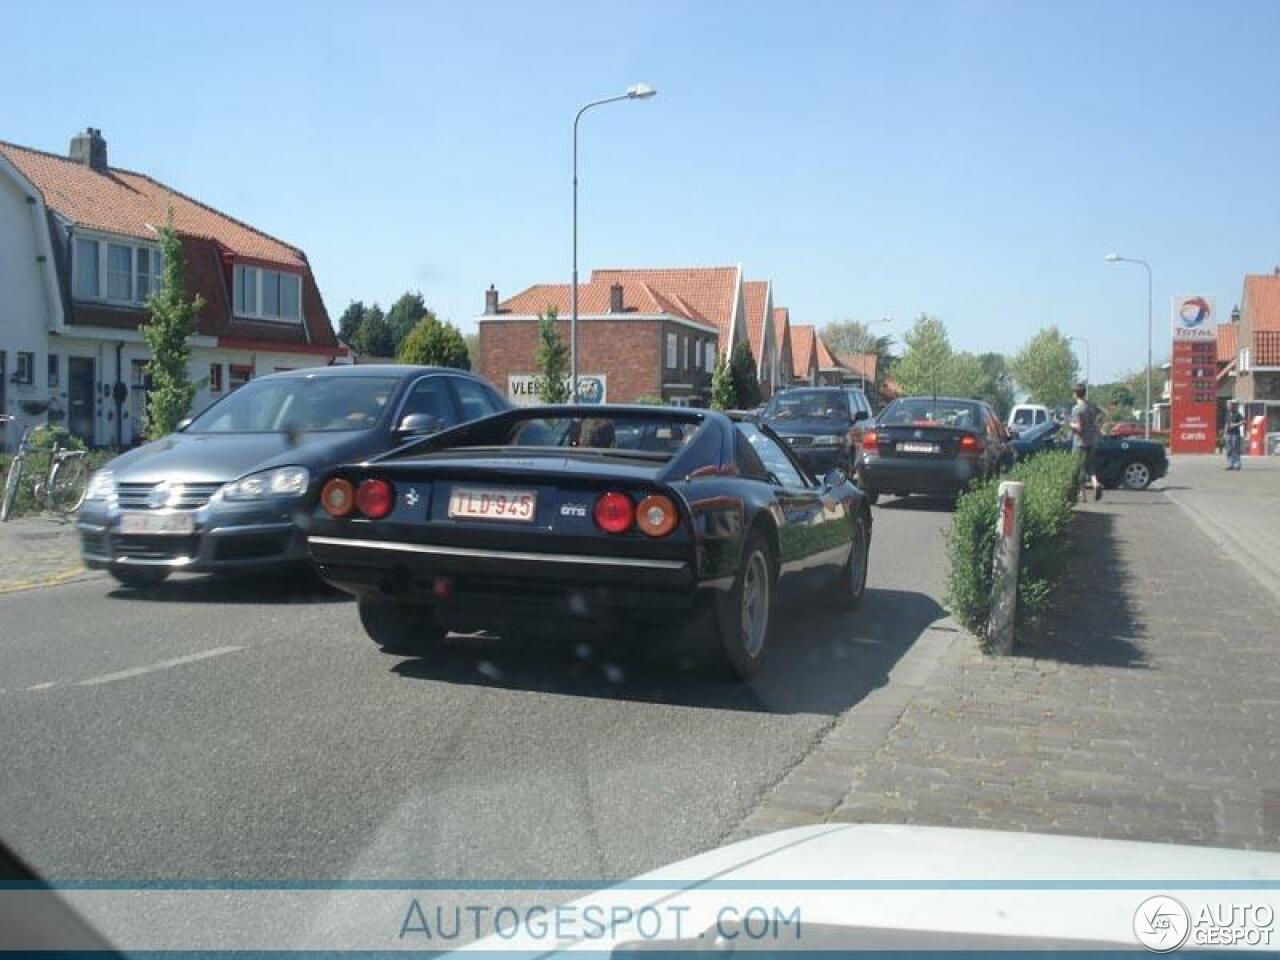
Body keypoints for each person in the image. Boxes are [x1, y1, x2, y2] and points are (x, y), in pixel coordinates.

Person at [1068, 383, 1103, 502]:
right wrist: (1098, 426)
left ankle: (1081, 493)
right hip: (1092, 441)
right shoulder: (1091, 406)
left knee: (1080, 468)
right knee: (1091, 467)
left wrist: (1069, 424)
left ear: (1075, 394)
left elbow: (1078, 428)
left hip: (1080, 442)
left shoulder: (1076, 409)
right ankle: (1096, 483)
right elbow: (1104, 413)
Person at [1224, 402, 1246, 471]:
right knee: (1229, 450)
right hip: (1228, 434)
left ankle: (1237, 464)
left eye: (1230, 406)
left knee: (1235, 449)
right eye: (1228, 406)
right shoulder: (1227, 414)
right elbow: (1226, 424)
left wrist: (1235, 424)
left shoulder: (1237, 414)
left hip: (1235, 434)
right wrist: (1225, 433)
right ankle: (1230, 464)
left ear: (1233, 407)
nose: (1228, 407)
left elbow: (1243, 422)